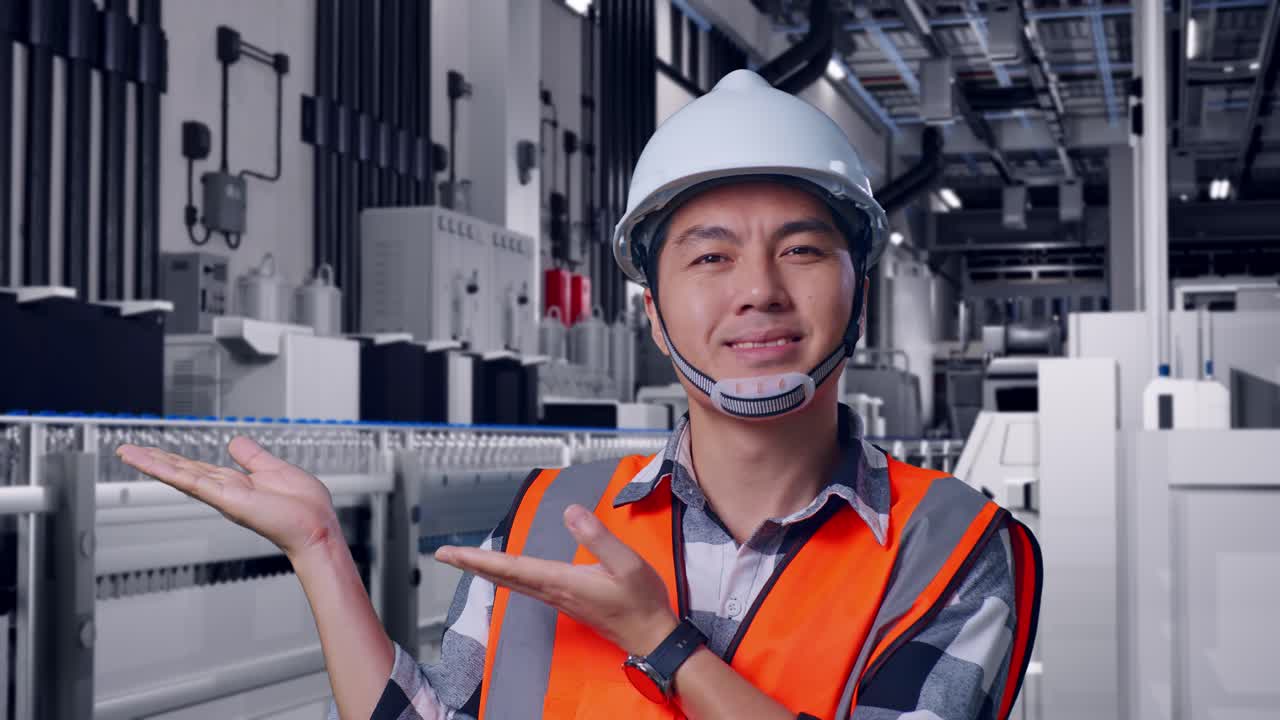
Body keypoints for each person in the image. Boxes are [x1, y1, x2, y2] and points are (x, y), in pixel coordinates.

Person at [118, 69, 1040, 720]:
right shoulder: (548, 517)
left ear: (860, 292)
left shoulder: (951, 551)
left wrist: (658, 639)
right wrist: (321, 551)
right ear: (652, 313)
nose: (758, 288)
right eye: (710, 256)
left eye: (801, 249)